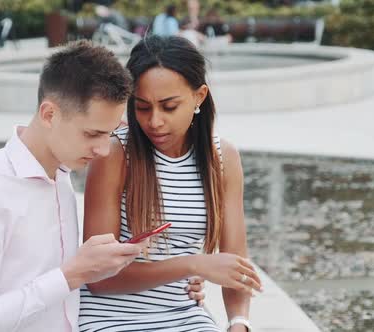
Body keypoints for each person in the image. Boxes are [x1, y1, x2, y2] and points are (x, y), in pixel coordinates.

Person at [0, 41, 155, 331]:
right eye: (93, 133)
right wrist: (71, 274)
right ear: (49, 114)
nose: (104, 150)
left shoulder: (61, 175)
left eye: (110, 133)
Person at [79, 36, 262, 332]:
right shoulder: (115, 153)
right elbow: (99, 277)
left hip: (185, 316)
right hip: (110, 318)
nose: (155, 121)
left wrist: (239, 323)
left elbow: (236, 265)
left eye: (169, 106)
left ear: (199, 96)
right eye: (141, 107)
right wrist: (192, 264)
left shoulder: (222, 158)